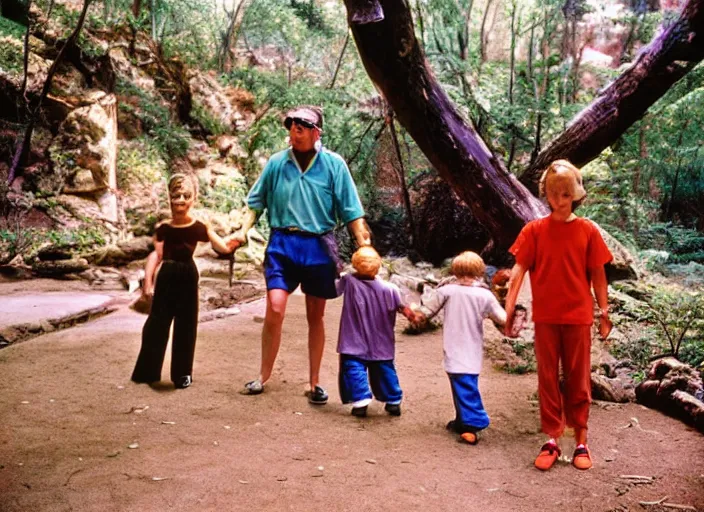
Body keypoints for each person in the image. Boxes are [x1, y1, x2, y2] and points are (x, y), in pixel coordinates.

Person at [232, 105, 371, 404]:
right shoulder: (276, 163)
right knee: (276, 307)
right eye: (292, 124)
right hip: (282, 242)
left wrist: (364, 243)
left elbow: (351, 211)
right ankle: (263, 375)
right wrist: (242, 231)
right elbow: (256, 203)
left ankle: (314, 382)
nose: (295, 129)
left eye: (302, 125)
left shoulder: (334, 165)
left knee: (315, 315)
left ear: (316, 132)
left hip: (318, 244)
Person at [503, 159, 613, 471]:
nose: (559, 201)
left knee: (578, 379)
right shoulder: (534, 231)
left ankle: (580, 439)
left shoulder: (588, 231)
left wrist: (604, 312)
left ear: (576, 195)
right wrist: (508, 310)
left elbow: (598, 275)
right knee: (548, 379)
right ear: (546, 195)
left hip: (578, 317)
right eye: (553, 194)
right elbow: (519, 270)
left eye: (565, 195)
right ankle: (552, 437)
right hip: (547, 318)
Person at [131, 173, 236, 389]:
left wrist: (236, 240)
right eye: (176, 195)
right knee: (156, 324)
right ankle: (147, 371)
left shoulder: (199, 226)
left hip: (188, 274)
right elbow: (155, 255)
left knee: (186, 325)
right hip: (167, 274)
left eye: (186, 196)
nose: (181, 200)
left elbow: (222, 247)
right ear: (169, 197)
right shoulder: (164, 228)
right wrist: (147, 284)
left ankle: (182, 374)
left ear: (193, 198)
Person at [423, 251, 507, 445]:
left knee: (463, 384)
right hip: (473, 346)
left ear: (455, 270)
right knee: (464, 383)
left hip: (453, 344)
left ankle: (473, 425)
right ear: (479, 271)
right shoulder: (484, 294)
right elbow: (502, 318)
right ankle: (462, 420)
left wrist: (413, 313)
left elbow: (427, 310)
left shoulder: (447, 291)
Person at [335, 246, 421, 417]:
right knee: (384, 369)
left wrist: (334, 270)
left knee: (353, 367)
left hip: (353, 339)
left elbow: (332, 290)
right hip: (381, 341)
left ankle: (360, 400)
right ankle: (393, 400)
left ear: (354, 264)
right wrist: (414, 316)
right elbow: (404, 308)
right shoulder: (390, 289)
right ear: (379, 266)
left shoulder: (349, 282)